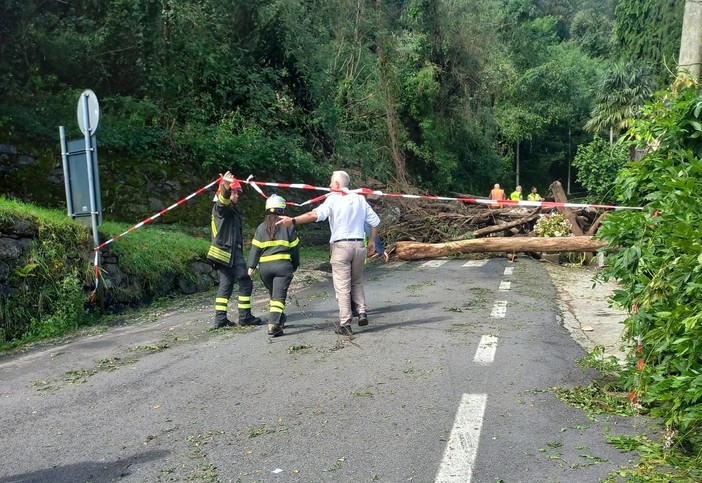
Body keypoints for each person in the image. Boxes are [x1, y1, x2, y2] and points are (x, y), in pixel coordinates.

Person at [277, 170, 380, 336]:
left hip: (341, 247)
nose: (329, 185)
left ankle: (345, 324)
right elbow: (375, 221)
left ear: (337, 184)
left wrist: (293, 221)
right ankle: (362, 312)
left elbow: (314, 214)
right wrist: (373, 241)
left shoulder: (332, 199)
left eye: (331, 182)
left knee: (342, 287)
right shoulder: (360, 199)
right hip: (359, 245)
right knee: (357, 281)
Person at [207, 171, 262, 329]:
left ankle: (220, 319)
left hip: (223, 253)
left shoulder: (230, 210)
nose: (238, 195)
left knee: (226, 284)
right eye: (235, 192)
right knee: (245, 281)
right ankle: (245, 317)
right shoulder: (221, 208)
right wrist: (225, 185)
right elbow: (222, 202)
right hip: (229, 252)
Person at [247, 194, 300, 337]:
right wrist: (295, 265)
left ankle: (280, 317)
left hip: (265, 268)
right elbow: (294, 248)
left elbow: (255, 249)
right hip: (282, 267)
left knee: (274, 294)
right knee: (278, 296)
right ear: (282, 209)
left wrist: (251, 267)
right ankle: (273, 325)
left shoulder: (261, 227)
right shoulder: (288, 226)